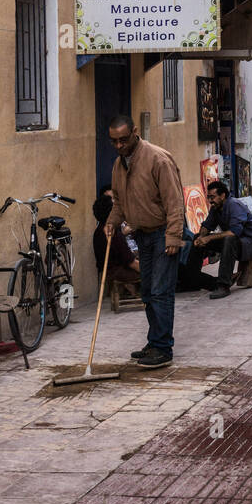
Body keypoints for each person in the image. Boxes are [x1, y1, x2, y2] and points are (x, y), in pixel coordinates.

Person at [105, 114, 185, 368]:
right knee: (148, 290)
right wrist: (111, 222)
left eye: (123, 140)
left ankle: (163, 348)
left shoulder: (157, 159)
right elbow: (119, 201)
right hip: (142, 234)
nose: (119, 146)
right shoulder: (119, 165)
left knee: (161, 291)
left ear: (135, 133)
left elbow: (174, 202)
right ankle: (155, 340)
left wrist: (174, 235)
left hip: (163, 234)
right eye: (114, 142)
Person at [192, 180, 252, 300]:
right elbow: (207, 225)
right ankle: (193, 278)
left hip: (250, 244)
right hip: (235, 241)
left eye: (213, 197)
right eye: (208, 197)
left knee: (229, 239)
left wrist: (209, 238)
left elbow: (234, 232)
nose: (210, 201)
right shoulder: (216, 207)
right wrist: (201, 236)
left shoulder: (234, 205)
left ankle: (224, 285)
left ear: (222, 195)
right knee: (196, 238)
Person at [92, 192, 140, 287]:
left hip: (111, 269)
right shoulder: (112, 232)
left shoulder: (99, 230)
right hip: (117, 271)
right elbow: (131, 262)